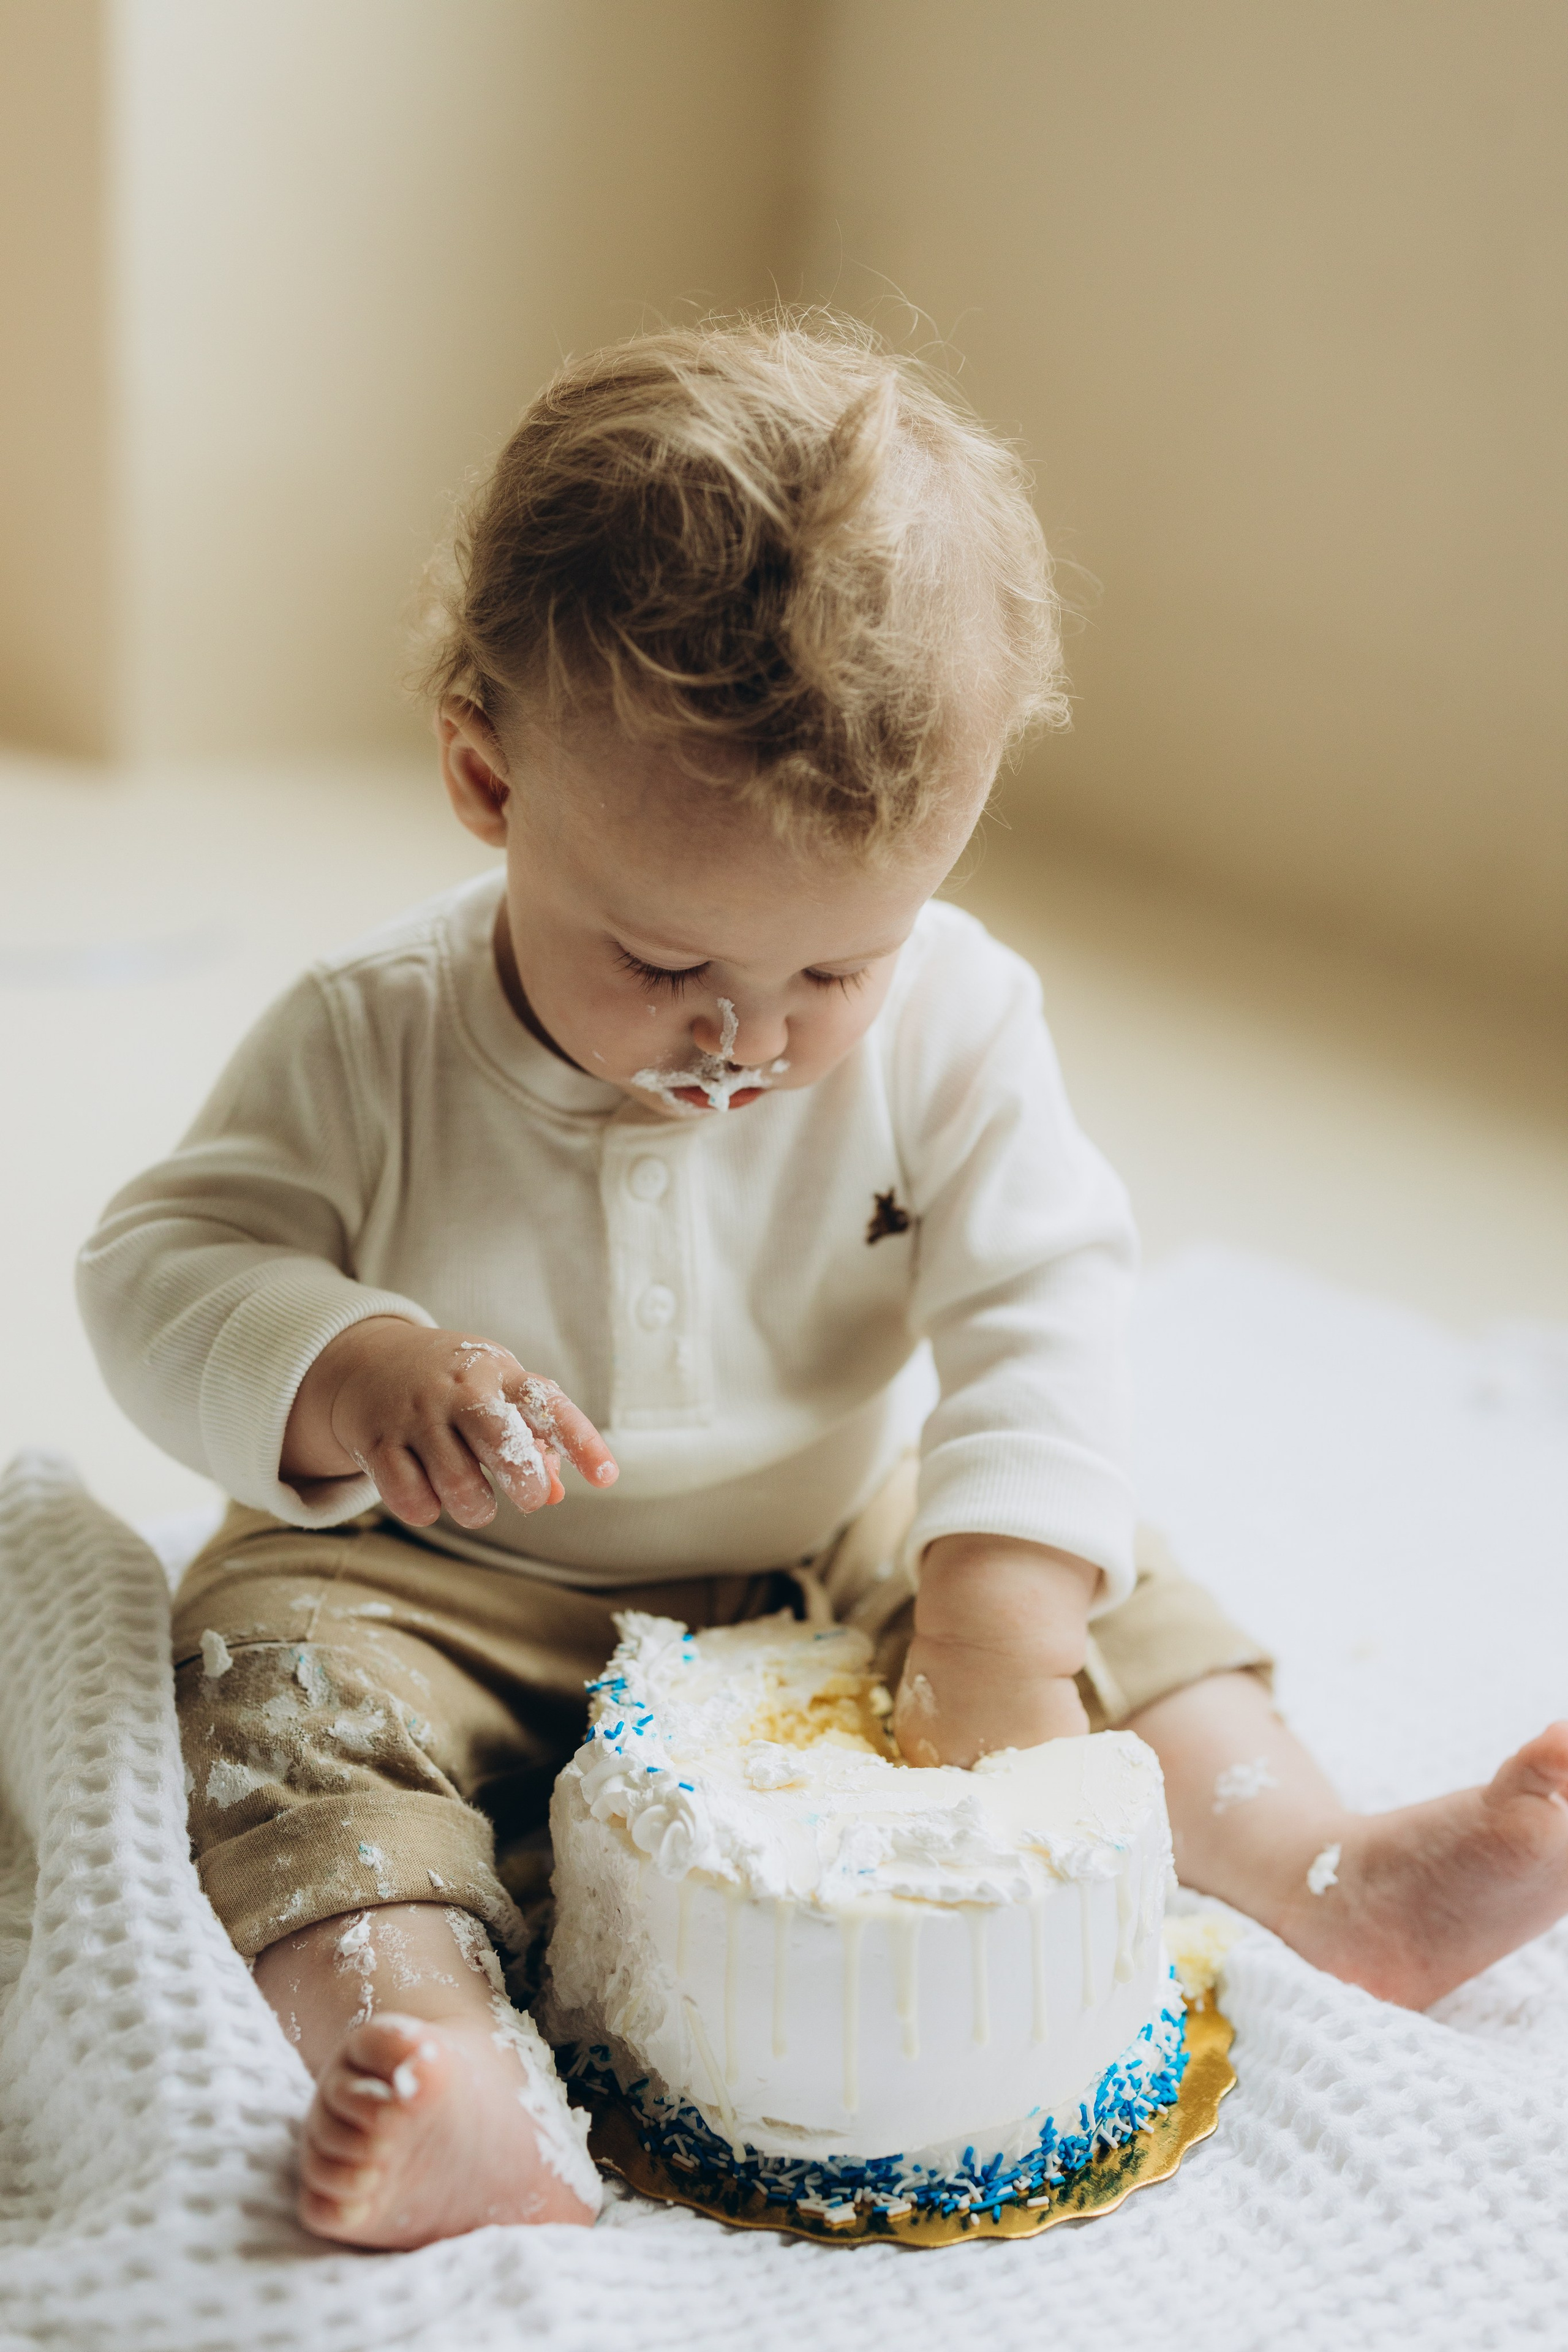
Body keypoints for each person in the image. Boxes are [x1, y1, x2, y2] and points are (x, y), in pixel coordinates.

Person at [78, 313, 1568, 2251]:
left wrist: (1000, 1618)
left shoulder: (958, 1018)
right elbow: (159, 1263)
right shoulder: (373, 1034)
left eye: (832, 971)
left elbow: (1046, 1298)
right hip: (435, 1578)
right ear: (484, 776)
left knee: (1099, 1560)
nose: (745, 1043)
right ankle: (427, 2042)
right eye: (667, 961)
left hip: (829, 1537)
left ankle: (1329, 1867)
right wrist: (343, 1365)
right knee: (270, 1712)